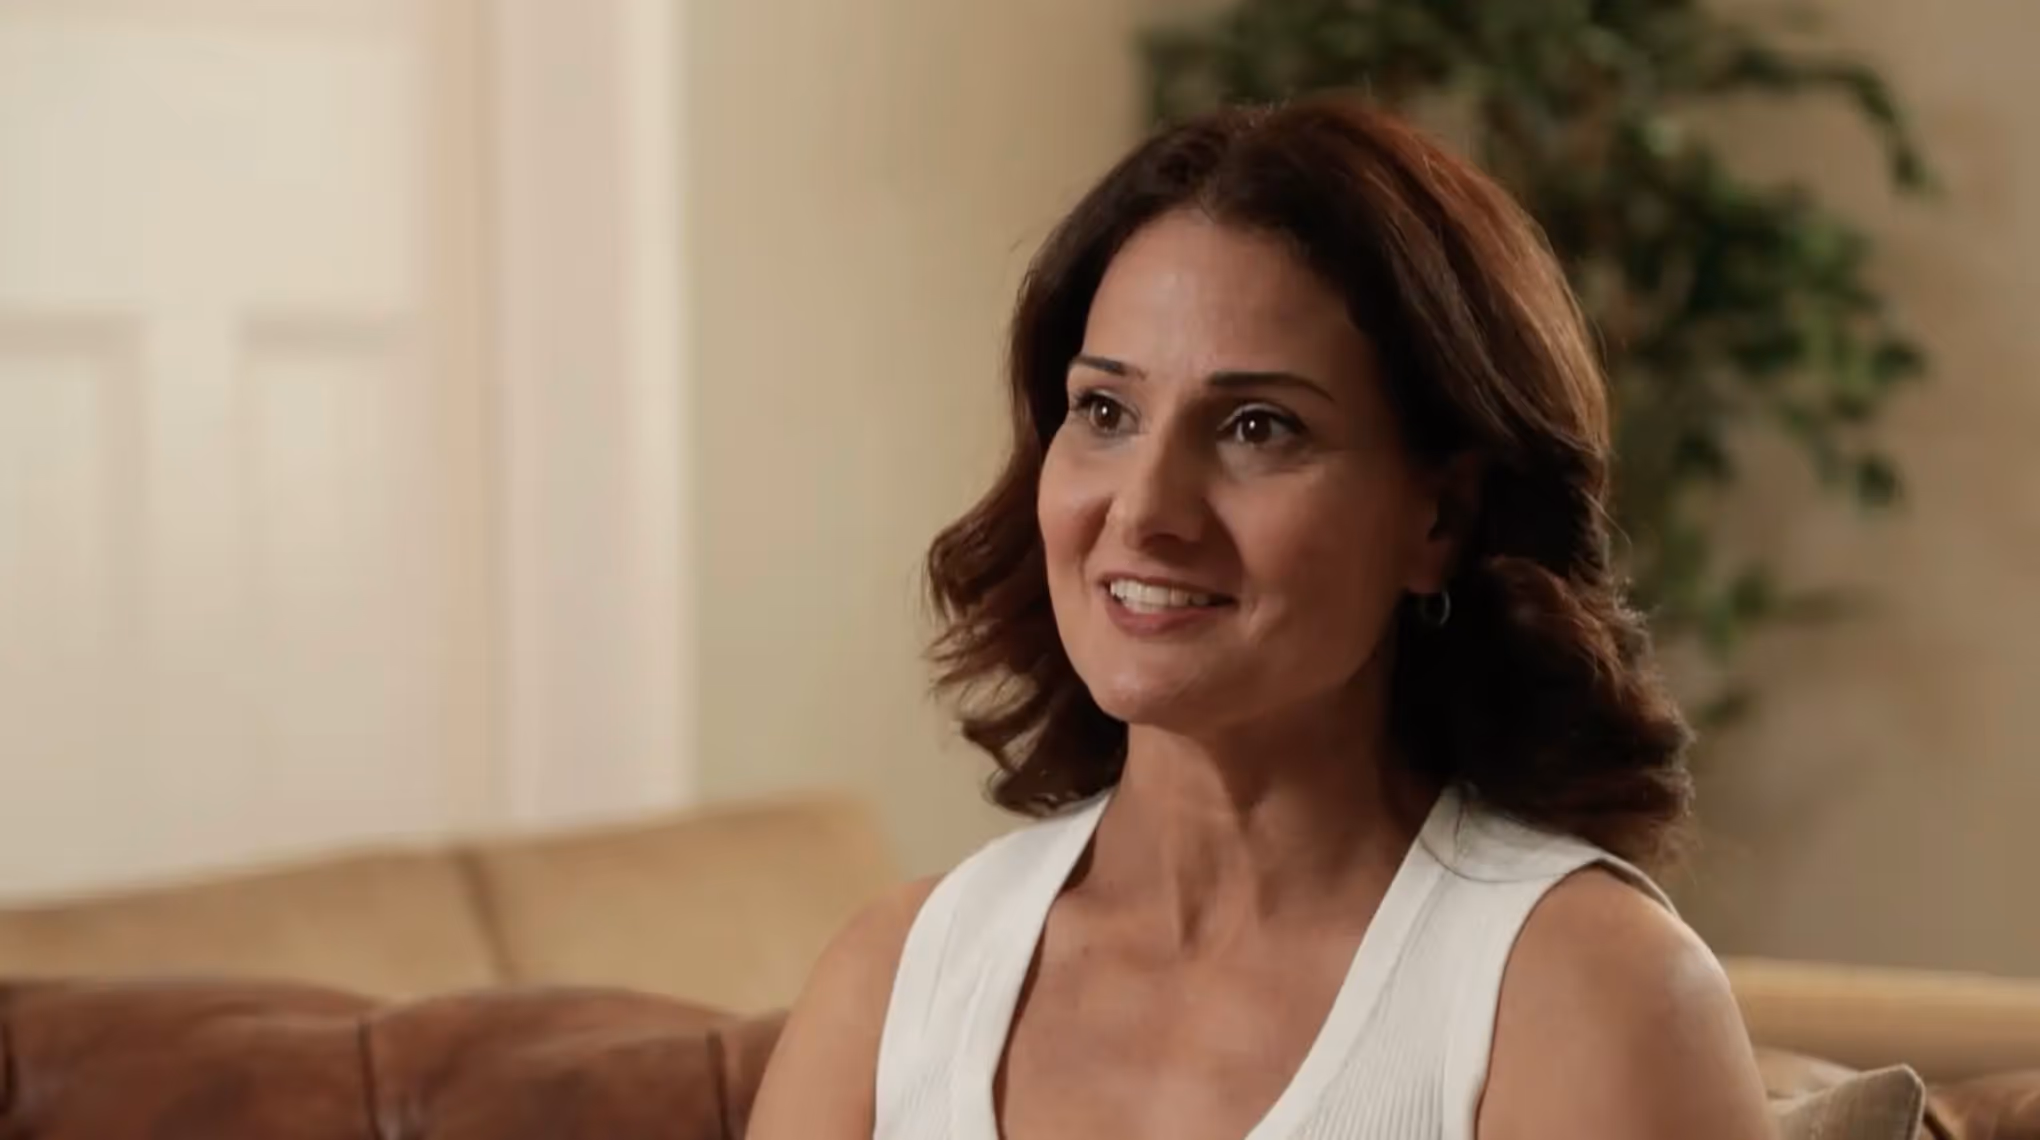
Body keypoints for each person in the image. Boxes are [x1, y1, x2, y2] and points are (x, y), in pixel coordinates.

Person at [747, 95, 1775, 1140]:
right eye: (1105, 412)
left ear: (1440, 517)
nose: (1146, 511)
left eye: (1256, 427)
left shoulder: (1589, 994)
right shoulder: (895, 983)